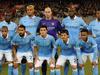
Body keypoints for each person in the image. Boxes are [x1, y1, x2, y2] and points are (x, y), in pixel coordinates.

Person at [37, 6, 62, 75]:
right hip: (44, 45)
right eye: (46, 12)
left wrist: (58, 38)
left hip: (53, 45)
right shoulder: (41, 21)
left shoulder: (56, 21)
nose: (47, 13)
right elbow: (38, 32)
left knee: (55, 60)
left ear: (51, 13)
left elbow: (61, 31)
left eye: (49, 12)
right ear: (44, 13)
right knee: (44, 62)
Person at [61, 9, 87, 75]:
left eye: (72, 11)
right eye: (69, 11)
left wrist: (82, 35)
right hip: (67, 44)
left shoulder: (80, 20)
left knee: (78, 62)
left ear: (75, 12)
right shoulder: (65, 20)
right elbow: (60, 28)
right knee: (66, 62)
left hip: (77, 44)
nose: (70, 12)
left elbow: (86, 27)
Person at [19, 5, 41, 75]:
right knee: (23, 60)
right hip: (24, 43)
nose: (29, 11)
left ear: (34, 10)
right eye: (28, 10)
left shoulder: (39, 19)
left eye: (31, 10)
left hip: (35, 43)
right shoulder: (22, 19)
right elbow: (19, 31)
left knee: (35, 61)